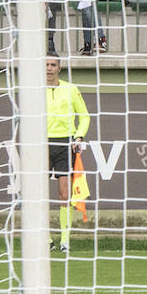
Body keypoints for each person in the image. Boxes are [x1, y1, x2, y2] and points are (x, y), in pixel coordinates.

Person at [45, 54, 89, 253]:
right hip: (42, 144)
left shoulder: (70, 89)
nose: (49, 68)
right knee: (38, 194)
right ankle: (45, 238)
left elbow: (85, 116)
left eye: (53, 65)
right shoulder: (35, 90)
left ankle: (64, 240)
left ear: (59, 68)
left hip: (65, 143)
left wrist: (78, 137)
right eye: (46, 64)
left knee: (64, 193)